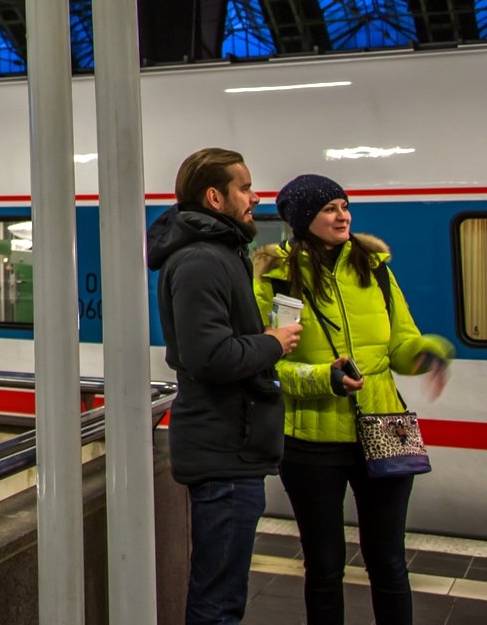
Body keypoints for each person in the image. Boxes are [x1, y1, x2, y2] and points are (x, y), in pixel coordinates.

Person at [255, 174, 455, 625]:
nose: (342, 215)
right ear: (304, 219)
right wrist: (323, 378)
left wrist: (428, 353)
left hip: (382, 427)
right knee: (324, 566)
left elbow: (401, 342)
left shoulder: (376, 268)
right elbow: (268, 363)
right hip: (309, 440)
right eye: (329, 208)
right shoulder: (274, 276)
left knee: (388, 560)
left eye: (344, 206)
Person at [148, 148, 303, 625]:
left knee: (223, 593)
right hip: (223, 451)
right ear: (215, 197)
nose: (255, 198)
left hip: (229, 447)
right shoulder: (202, 261)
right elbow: (209, 356)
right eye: (245, 188)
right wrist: (273, 343)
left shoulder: (218, 254)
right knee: (218, 601)